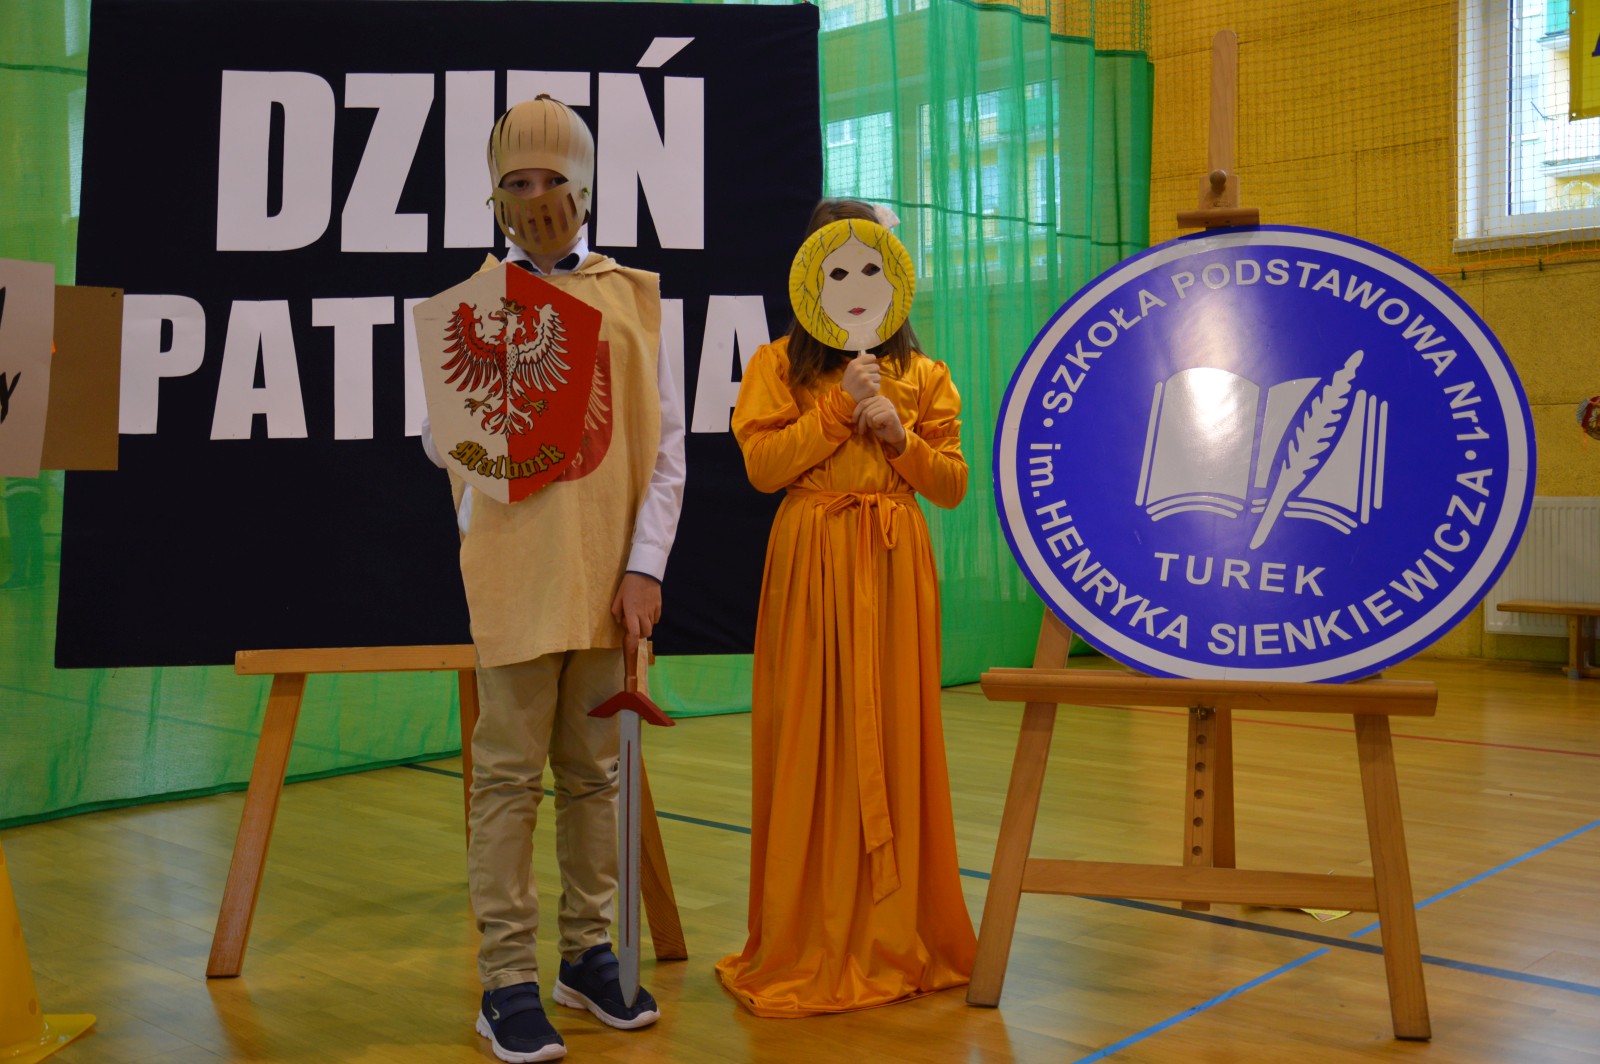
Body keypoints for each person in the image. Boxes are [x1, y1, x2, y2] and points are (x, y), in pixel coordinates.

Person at [420, 95, 685, 1063]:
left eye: (554, 180)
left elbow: (666, 445)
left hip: (609, 573)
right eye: (518, 182)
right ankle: (506, 980)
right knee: (505, 777)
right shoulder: (470, 303)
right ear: (495, 192)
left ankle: (587, 954)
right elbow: (443, 442)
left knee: (593, 774)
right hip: (517, 568)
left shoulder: (633, 298)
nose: (538, 198)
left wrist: (645, 564)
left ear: (585, 184)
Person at [714, 199, 976, 1015]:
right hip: (812, 561)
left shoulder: (925, 375)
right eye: (839, 269)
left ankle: (898, 931)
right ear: (809, 277)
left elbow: (953, 486)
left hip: (893, 568)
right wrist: (835, 410)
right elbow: (764, 469)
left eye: (873, 266)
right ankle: (810, 936)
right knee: (808, 734)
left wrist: (901, 437)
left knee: (896, 734)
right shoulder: (775, 366)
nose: (857, 284)